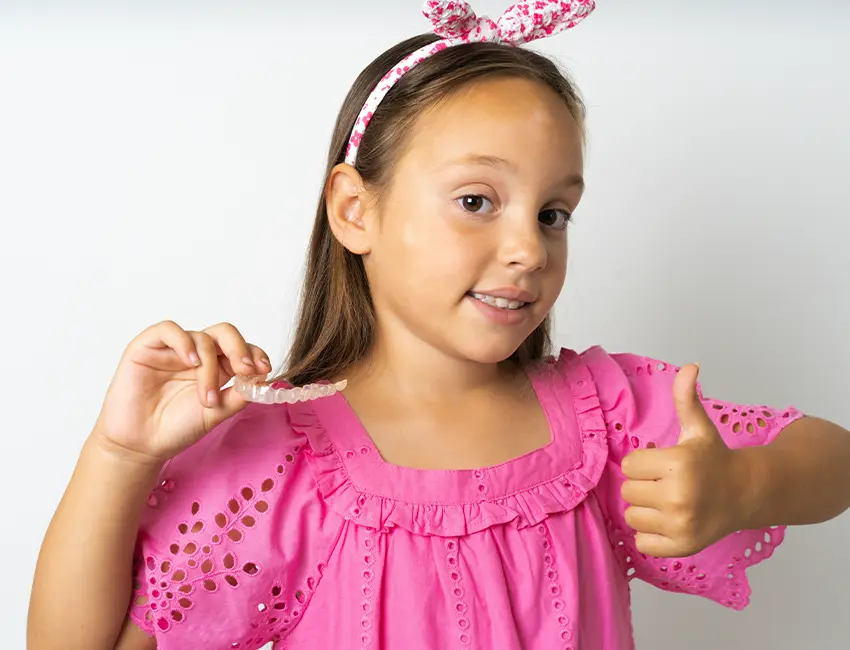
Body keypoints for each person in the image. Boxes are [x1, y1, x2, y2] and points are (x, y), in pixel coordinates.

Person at [27, 2, 850, 649]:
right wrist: (121, 455)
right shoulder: (277, 462)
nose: (528, 246)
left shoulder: (607, 417)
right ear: (356, 210)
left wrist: (746, 487)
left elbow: (834, 458)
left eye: (554, 212)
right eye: (476, 202)